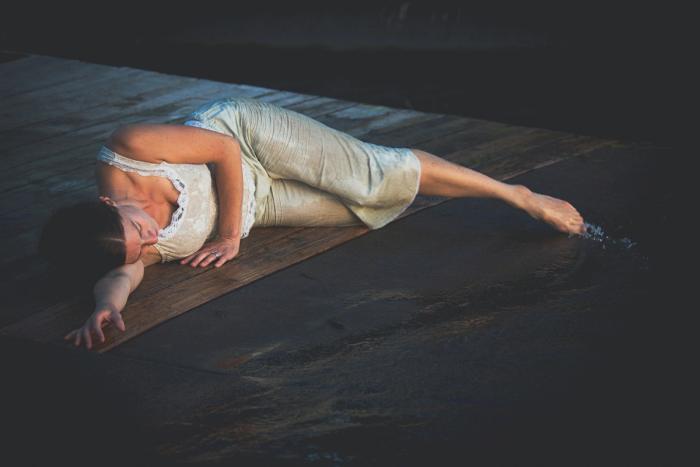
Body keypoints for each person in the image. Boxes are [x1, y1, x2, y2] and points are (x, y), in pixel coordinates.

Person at [38, 97, 585, 350]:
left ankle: (517, 195)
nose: (152, 240)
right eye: (142, 247)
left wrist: (227, 236)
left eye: (140, 228)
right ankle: (384, 171)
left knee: (373, 180)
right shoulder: (121, 247)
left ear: (109, 202)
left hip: (247, 140)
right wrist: (105, 306)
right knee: (365, 213)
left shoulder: (129, 147)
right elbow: (123, 273)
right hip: (258, 206)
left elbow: (224, 151)